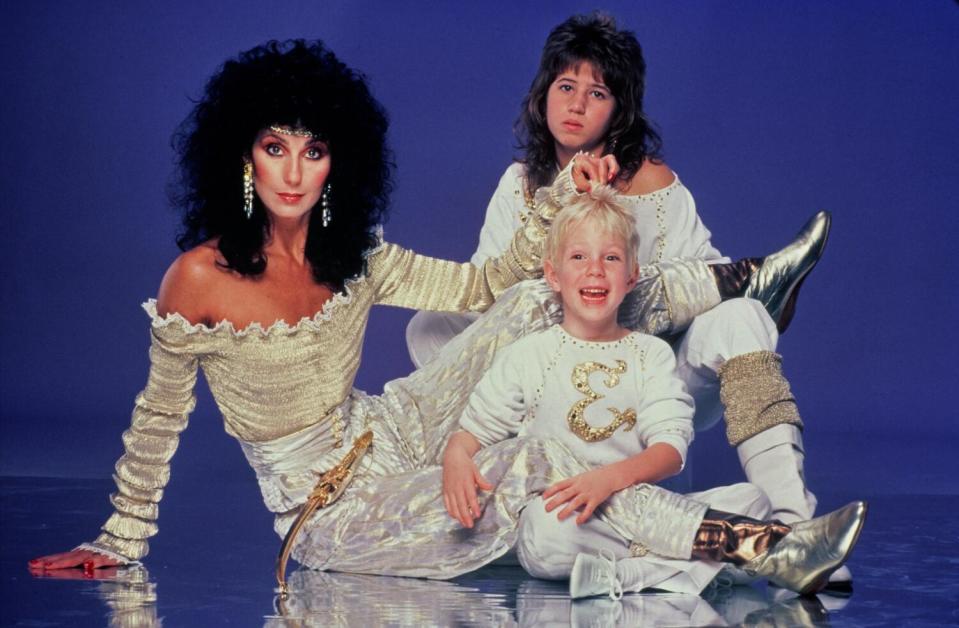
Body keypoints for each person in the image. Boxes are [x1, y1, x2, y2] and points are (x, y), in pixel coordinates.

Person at [28, 39, 577, 573]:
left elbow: (484, 287)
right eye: (275, 149)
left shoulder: (356, 256)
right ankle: (628, 539)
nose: (293, 175)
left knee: (534, 300)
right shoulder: (198, 277)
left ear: (335, 164)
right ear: (245, 157)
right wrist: (122, 535)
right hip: (333, 514)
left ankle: (622, 441)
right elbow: (160, 416)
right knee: (529, 463)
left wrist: (562, 194)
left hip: (396, 429)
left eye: (313, 152)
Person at [405, 12, 848, 587]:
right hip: (548, 381)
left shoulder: (656, 185)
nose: (577, 105)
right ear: (543, 96)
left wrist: (634, 269)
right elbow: (492, 291)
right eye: (566, 87)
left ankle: (795, 533)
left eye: (597, 93)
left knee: (740, 314)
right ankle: (735, 543)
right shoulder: (518, 184)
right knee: (431, 328)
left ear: (620, 109)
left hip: (649, 379)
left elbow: (700, 286)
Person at [441, 186, 865, 598]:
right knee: (541, 531)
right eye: (578, 257)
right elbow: (471, 433)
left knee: (753, 499)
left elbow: (670, 452)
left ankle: (621, 575)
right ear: (553, 275)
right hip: (571, 520)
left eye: (610, 258)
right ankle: (742, 550)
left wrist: (607, 481)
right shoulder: (526, 355)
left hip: (636, 505)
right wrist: (456, 457)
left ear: (632, 276)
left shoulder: (650, 355)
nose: (594, 270)